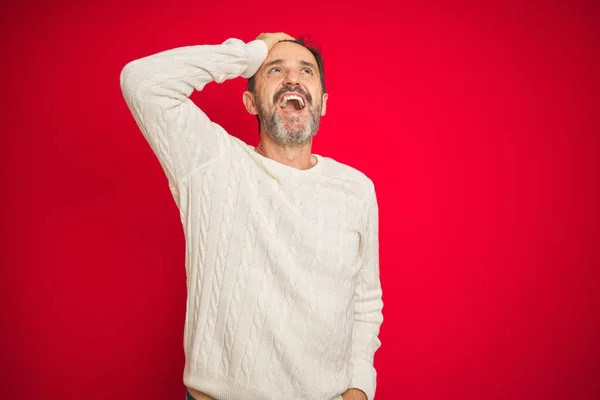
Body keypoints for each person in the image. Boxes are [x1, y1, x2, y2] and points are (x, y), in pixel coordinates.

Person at [120, 32, 383, 400]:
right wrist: (250, 53)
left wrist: (359, 388)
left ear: (322, 103)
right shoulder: (210, 163)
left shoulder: (356, 189)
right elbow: (142, 81)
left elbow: (365, 302)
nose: (293, 79)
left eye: (306, 71)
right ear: (250, 102)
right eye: (275, 70)